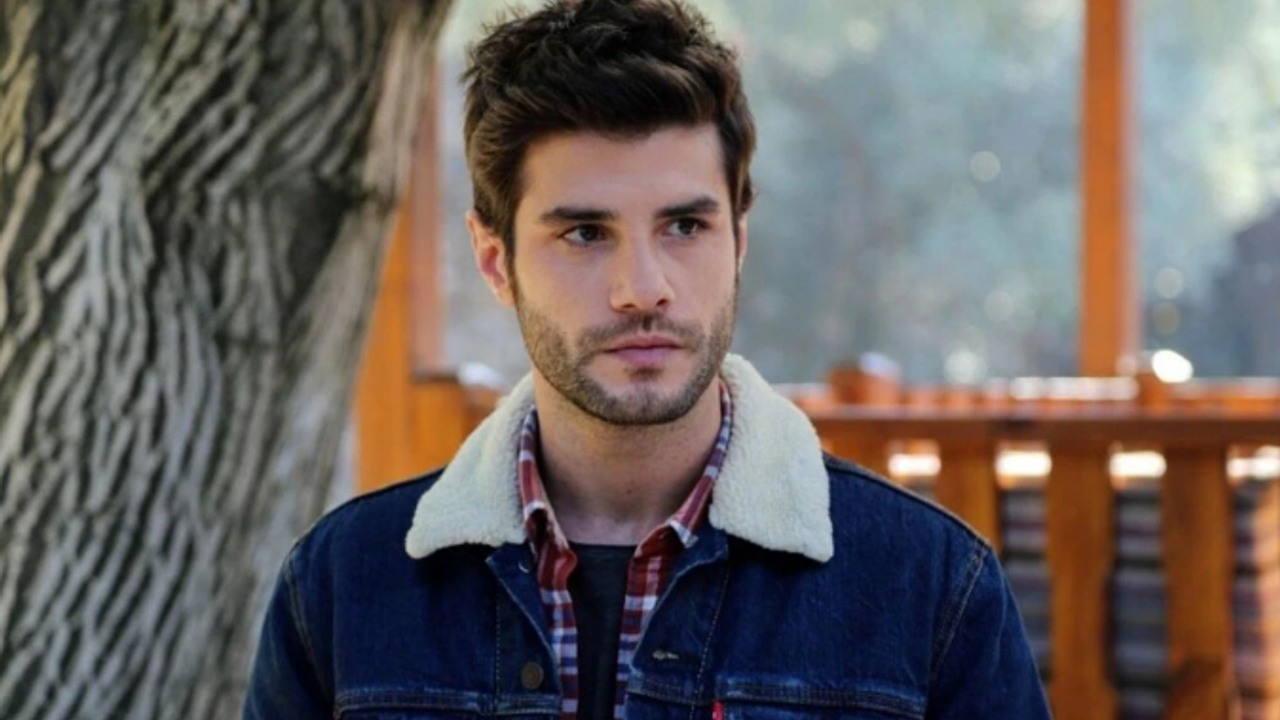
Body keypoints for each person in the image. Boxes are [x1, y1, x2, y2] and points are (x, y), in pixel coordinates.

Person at [243, 1, 1052, 719]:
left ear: (739, 239)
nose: (643, 289)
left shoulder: (931, 587)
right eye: (584, 233)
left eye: (685, 227)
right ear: (495, 261)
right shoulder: (341, 587)